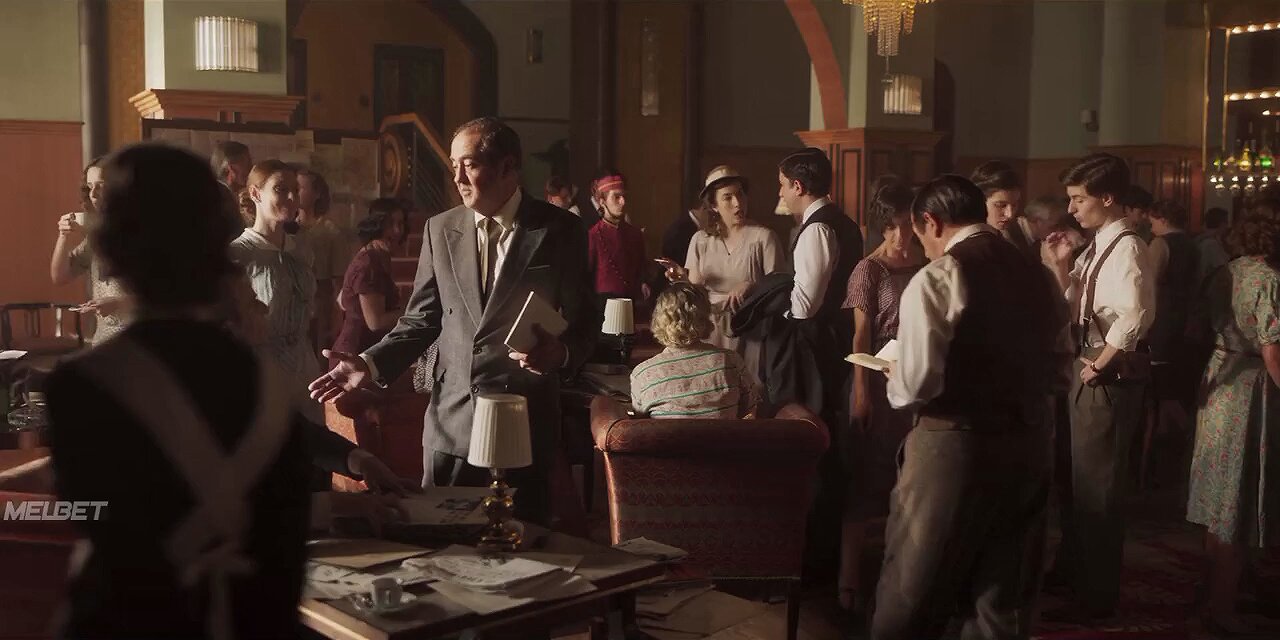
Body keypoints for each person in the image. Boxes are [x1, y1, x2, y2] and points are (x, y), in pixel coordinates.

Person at [45, 144, 403, 639]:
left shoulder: (82, 384)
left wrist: (351, 465)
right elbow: (266, 511)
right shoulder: (260, 376)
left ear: (115, 247)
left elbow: (99, 520)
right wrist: (348, 488)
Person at [310, 117, 601, 525]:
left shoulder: (559, 230)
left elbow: (586, 320)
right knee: (442, 547)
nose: (458, 178)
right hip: (452, 425)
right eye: (453, 165)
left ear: (508, 167)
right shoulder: (440, 228)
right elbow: (421, 320)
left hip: (522, 426)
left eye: (470, 165)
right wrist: (370, 363)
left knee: (522, 549)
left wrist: (562, 353)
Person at [871, 174, 1067, 640]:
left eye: (920, 234)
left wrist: (894, 375)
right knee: (1002, 597)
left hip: (955, 444)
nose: (922, 246)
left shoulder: (939, 277)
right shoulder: (1038, 275)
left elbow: (916, 386)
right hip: (1029, 442)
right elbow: (1062, 358)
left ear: (931, 222)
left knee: (912, 589)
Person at [1041, 153, 1154, 620]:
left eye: (1078, 199)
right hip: (1082, 361)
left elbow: (1135, 314)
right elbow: (1073, 304)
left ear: (1107, 198)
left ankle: (1096, 595)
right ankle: (1073, 570)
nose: (1071, 209)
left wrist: (1102, 364)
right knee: (1074, 479)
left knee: (1098, 486)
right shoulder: (1097, 245)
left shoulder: (1127, 246)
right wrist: (1060, 265)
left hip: (1102, 370)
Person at [1186, 214, 1280, 635]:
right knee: (1235, 500)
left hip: (1219, 379)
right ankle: (1221, 606)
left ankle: (1214, 591)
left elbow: (1194, 329)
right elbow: (1273, 353)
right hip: (1250, 387)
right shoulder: (1269, 279)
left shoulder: (1223, 273)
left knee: (1218, 496)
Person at [837, 175, 925, 617]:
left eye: (906, 223)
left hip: (917, 380)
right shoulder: (868, 269)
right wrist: (861, 395)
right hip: (875, 379)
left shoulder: (928, 262)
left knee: (912, 481)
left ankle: (900, 576)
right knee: (864, 479)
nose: (900, 234)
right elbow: (860, 337)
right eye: (891, 226)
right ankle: (848, 579)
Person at [659, 166, 784, 379]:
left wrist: (751, 285)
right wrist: (682, 278)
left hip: (750, 331)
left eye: (740, 194)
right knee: (713, 383)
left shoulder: (763, 238)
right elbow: (696, 289)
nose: (738, 203)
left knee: (748, 384)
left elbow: (780, 288)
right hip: (710, 330)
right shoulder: (700, 240)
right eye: (728, 197)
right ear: (714, 205)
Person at [230, 160, 324, 424]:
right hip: (261, 372)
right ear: (256, 193)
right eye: (281, 190)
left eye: (295, 190)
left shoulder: (302, 250)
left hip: (305, 370)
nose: (292, 198)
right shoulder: (239, 254)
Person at [630, 282, 758, 418]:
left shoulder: (642, 374)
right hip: (725, 433)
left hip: (668, 433)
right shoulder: (731, 361)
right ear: (705, 318)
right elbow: (751, 411)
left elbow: (639, 424)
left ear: (658, 320)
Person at [49, 156, 133, 345]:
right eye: (90, 186)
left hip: (141, 343)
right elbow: (60, 276)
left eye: (101, 186)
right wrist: (63, 235)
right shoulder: (95, 239)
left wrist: (119, 303)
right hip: (103, 343)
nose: (93, 194)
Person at [332, 198, 407, 370]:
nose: (397, 231)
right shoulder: (369, 262)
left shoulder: (376, 256)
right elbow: (376, 322)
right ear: (376, 225)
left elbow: (341, 299)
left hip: (367, 354)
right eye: (389, 224)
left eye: (400, 224)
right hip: (354, 357)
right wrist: (413, 311)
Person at [1146, 200, 1200, 428]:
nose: (1151, 228)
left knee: (1161, 384)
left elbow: (1149, 284)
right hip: (1185, 318)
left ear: (1163, 220)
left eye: (1153, 222)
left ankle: (1176, 430)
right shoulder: (1193, 245)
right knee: (1175, 379)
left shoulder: (1160, 243)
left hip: (1162, 318)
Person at [297, 169, 352, 359]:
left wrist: (336, 316)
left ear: (317, 194)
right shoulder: (287, 229)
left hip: (319, 303)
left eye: (301, 187)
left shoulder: (330, 232)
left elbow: (339, 280)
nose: (295, 192)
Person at [587, 171, 650, 304]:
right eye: (616, 197)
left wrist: (644, 283)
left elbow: (642, 271)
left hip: (632, 306)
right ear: (602, 201)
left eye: (624, 196)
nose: (623, 201)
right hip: (603, 308)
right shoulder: (592, 236)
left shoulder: (635, 234)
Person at [212, 141, 253, 230]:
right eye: (247, 163)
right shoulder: (215, 197)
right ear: (230, 167)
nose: (252, 168)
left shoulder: (244, 197)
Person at [1196, 207, 1231, 288]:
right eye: (1226, 222)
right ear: (1222, 224)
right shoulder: (1211, 244)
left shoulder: (1204, 240)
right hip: (1209, 289)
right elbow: (1223, 269)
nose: (1227, 226)